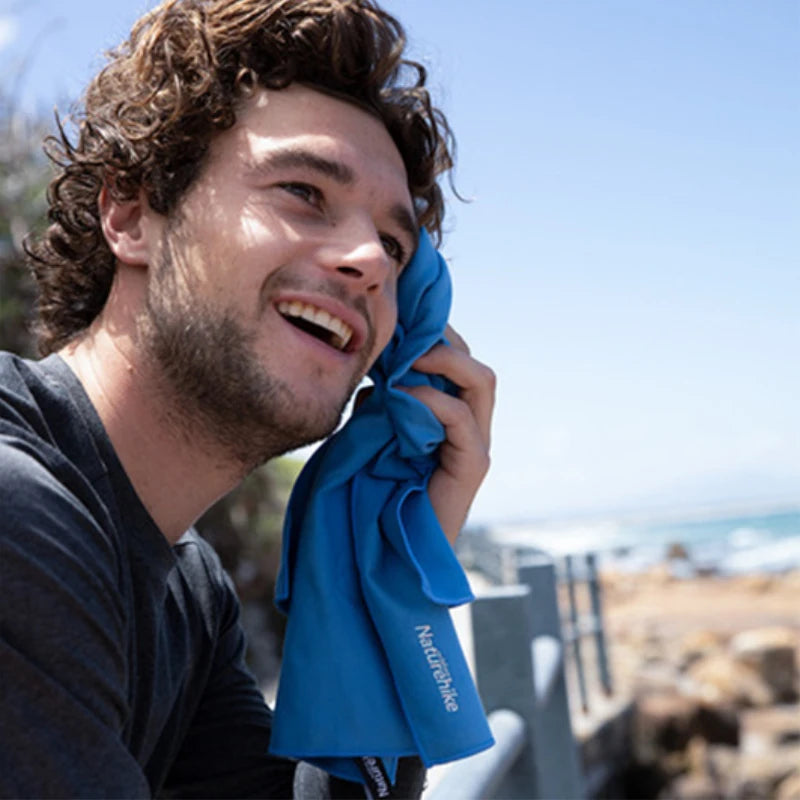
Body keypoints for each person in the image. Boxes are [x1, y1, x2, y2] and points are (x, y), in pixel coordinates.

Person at [0, 0, 495, 797]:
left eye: (398, 247)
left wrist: (394, 561)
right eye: (303, 191)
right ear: (131, 215)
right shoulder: (17, 515)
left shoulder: (190, 592)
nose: (370, 257)